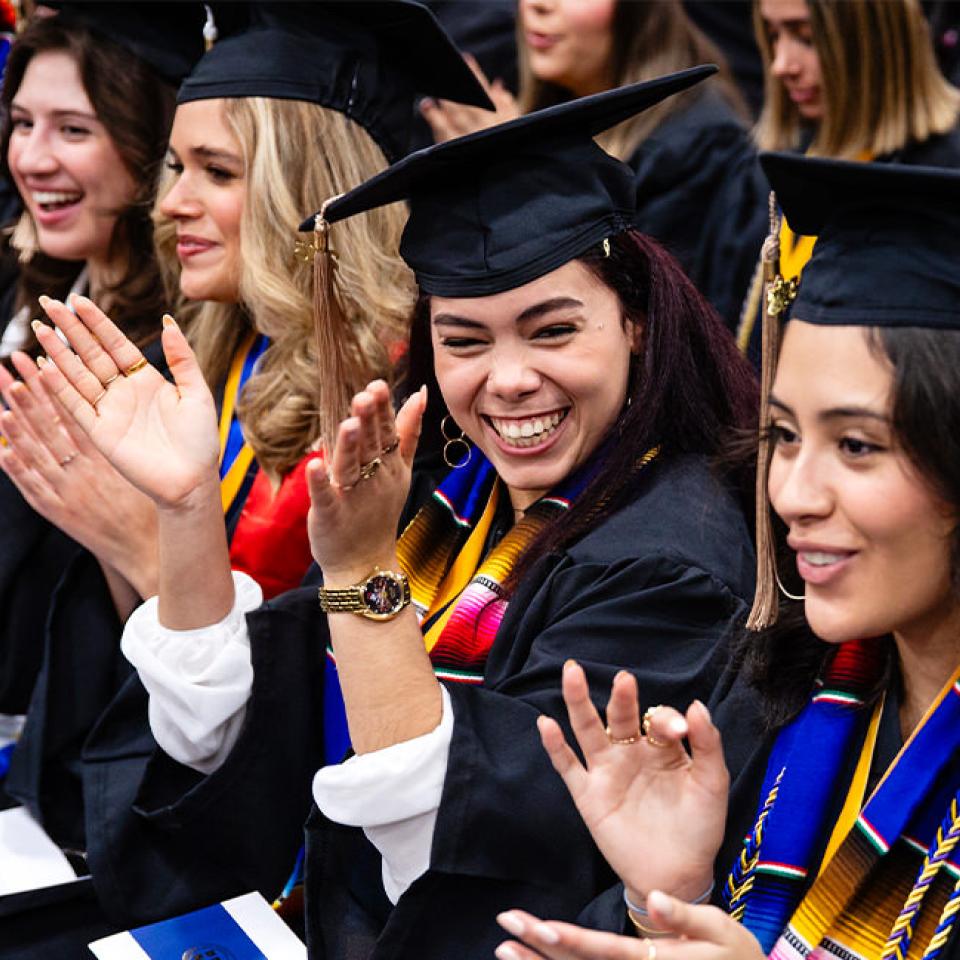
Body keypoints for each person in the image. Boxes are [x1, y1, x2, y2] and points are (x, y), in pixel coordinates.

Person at [38, 70, 758, 955]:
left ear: (637, 322)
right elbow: (245, 726)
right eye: (464, 339)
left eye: (554, 330)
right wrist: (185, 506)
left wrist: (358, 574)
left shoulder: (667, 561)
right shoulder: (451, 503)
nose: (508, 378)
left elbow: (459, 845)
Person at [0, 3, 491, 955]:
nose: (169, 201)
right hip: (189, 824)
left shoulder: (408, 412)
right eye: (176, 167)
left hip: (332, 872)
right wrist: (128, 542)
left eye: (215, 173)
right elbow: (171, 695)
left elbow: (319, 701)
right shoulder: (229, 364)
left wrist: (146, 544)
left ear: (310, 194)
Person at [494, 156, 960, 960]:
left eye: (856, 445)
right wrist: (667, 895)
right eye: (782, 436)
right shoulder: (771, 696)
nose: (793, 494)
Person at [0, 2, 206, 718]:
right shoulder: (28, 299)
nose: (31, 157)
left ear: (153, 138)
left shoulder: (182, 365)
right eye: (22, 123)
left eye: (73, 130)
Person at [421, 0, 769, 332]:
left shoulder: (696, 145)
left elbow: (643, 317)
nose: (537, 5)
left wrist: (516, 170)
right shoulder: (547, 101)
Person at [738, 0, 960, 365]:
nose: (781, 65)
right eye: (774, 36)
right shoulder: (790, 164)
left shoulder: (941, 177)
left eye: (807, 38)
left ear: (876, 37)